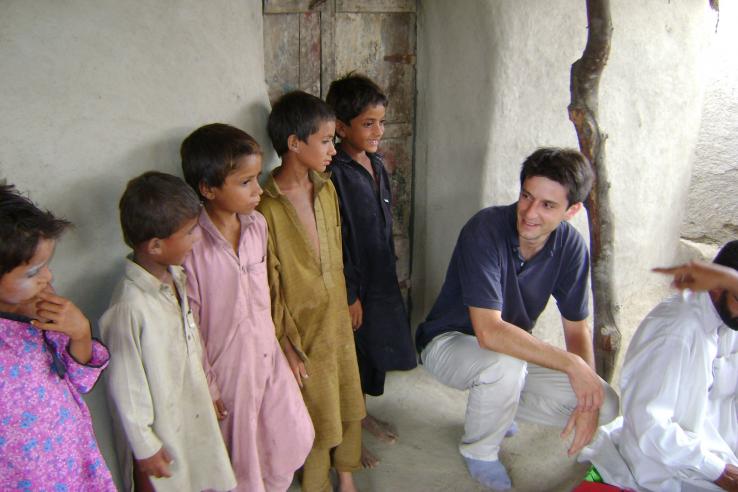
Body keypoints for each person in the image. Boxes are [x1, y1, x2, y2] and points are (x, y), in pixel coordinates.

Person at [415, 148, 619, 490]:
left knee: (606, 403)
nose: (529, 213)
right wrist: (571, 365)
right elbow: (489, 333)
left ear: (572, 211)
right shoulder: (485, 229)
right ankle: (479, 451)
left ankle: (496, 409)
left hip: (507, 352)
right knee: (504, 366)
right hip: (447, 343)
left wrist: (587, 392)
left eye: (548, 205)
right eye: (527, 196)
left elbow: (576, 328)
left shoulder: (571, 248)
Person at [180, 123, 314, 491]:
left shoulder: (256, 226)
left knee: (284, 436)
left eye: (257, 178)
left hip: (266, 357)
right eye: (245, 182)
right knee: (240, 460)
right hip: (227, 371)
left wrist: (283, 344)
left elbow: (267, 293)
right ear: (207, 189)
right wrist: (207, 384)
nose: (258, 190)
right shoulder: (192, 248)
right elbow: (189, 327)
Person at [100, 172, 236, 492]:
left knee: (200, 476)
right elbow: (126, 387)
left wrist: (210, 390)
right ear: (157, 246)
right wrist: (145, 446)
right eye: (190, 232)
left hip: (190, 410)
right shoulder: (129, 308)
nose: (197, 239)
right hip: (160, 434)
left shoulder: (175, 277)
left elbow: (191, 343)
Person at [258, 91, 365, 492]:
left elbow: (339, 250)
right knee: (316, 408)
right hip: (303, 327)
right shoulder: (265, 208)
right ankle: (317, 483)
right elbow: (269, 284)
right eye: (325, 140)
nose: (333, 149)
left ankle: (347, 473)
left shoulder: (326, 189)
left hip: (335, 313)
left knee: (349, 395)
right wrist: (284, 339)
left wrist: (350, 295)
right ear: (293, 143)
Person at [580, 241, 738, 492]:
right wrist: (717, 470)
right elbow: (649, 425)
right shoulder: (675, 333)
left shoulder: (728, 321)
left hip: (718, 450)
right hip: (672, 469)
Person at [325, 73, 417, 467]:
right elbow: (338, 242)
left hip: (381, 277)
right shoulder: (335, 175)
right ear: (341, 127)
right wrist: (350, 294)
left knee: (372, 352)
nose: (378, 130)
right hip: (355, 284)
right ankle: (347, 436)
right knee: (351, 358)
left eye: (382, 121)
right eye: (368, 123)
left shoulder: (376, 162)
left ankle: (360, 416)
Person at [0, 184, 116, 491]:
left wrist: (79, 333)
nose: (48, 278)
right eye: (33, 272)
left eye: (46, 266)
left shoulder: (40, 311)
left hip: (73, 465)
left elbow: (79, 381)